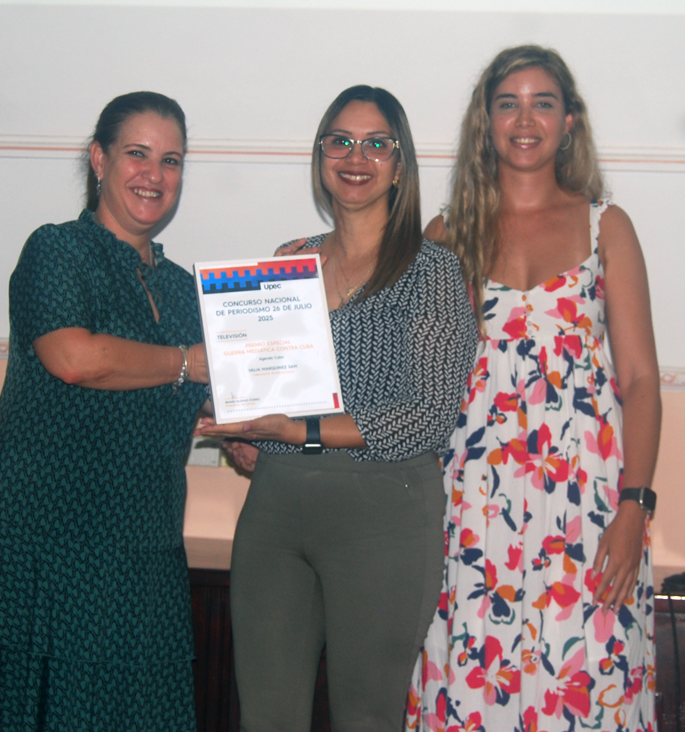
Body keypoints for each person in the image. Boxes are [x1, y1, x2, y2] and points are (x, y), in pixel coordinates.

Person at [197, 85, 478, 731]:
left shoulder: (433, 270)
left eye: (377, 144)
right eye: (340, 141)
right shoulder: (288, 260)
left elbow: (426, 415)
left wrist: (293, 429)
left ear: (400, 164)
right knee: (265, 718)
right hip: (276, 509)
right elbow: (271, 385)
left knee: (366, 718)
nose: (356, 157)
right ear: (321, 154)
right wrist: (244, 423)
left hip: (384, 516)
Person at [0, 92, 209, 731]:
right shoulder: (56, 250)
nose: (154, 174)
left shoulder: (185, 289)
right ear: (99, 160)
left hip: (142, 546)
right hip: (45, 541)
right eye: (137, 154)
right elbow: (74, 358)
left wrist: (252, 426)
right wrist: (188, 363)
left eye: (170, 161)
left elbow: (192, 396)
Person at [408, 46, 660, 732]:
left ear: (569, 121)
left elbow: (641, 380)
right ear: (485, 121)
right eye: (508, 104)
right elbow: (418, 386)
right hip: (471, 508)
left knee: (588, 683)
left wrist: (635, 508)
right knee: (471, 686)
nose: (525, 120)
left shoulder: (607, 225)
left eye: (542, 103)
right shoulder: (445, 235)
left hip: (588, 506)